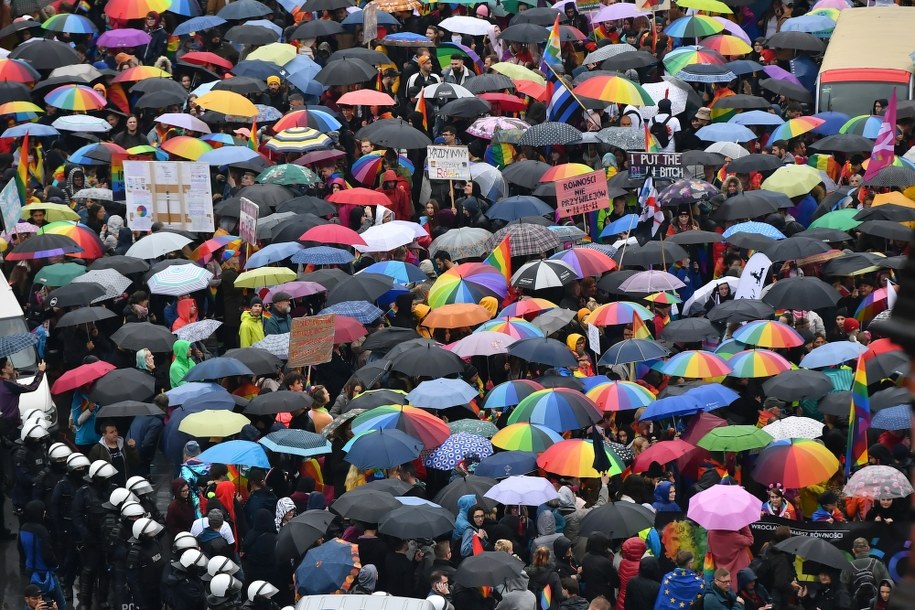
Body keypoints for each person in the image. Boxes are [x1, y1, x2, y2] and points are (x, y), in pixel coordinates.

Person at [88, 422, 138, 487]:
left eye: (115, 431)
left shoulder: (123, 444)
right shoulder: (97, 449)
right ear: (104, 434)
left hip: (124, 483)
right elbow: (92, 469)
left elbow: (134, 462)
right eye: (111, 432)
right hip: (108, 486)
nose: (115, 434)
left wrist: (132, 449)